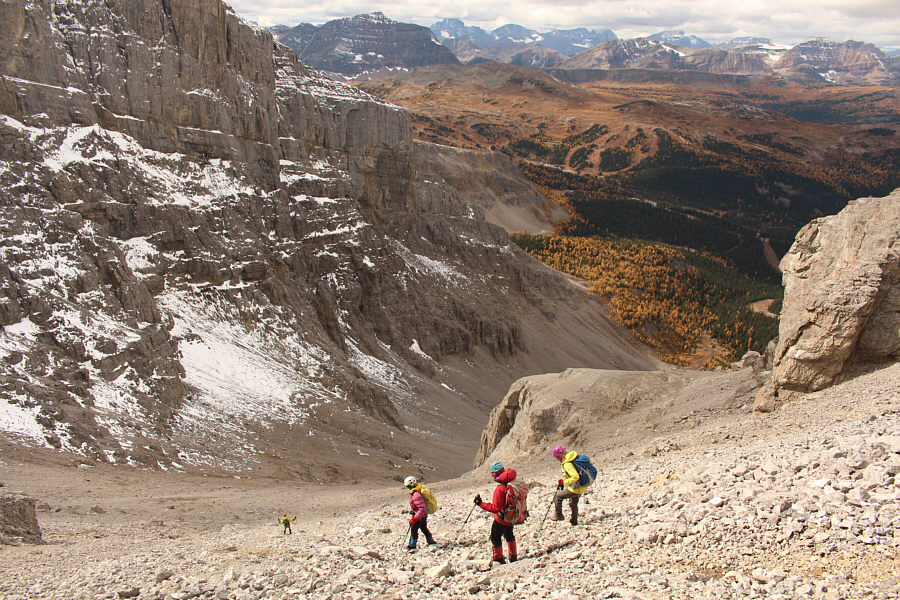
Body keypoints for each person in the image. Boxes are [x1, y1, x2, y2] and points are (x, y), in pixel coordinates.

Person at [474, 460, 519, 564]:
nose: (491, 475)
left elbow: (495, 508)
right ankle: (513, 556)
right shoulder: (512, 482)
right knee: (509, 535)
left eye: (492, 473)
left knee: (495, 537)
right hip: (510, 516)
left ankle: (498, 558)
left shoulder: (500, 489)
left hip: (502, 518)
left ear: (496, 472)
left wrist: (480, 504)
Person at [551, 445, 586, 526]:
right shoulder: (571, 459)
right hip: (580, 486)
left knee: (558, 496)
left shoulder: (567, 463)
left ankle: (558, 515)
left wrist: (564, 482)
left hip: (575, 487)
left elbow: (575, 477)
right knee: (573, 503)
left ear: (559, 456)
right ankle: (574, 522)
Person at [405, 475, 435, 550]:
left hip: (419, 516)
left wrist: (414, 519)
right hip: (422, 515)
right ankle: (430, 541)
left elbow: (421, 509)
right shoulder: (417, 491)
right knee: (423, 528)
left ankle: (412, 545)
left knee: (414, 530)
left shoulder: (416, 495)